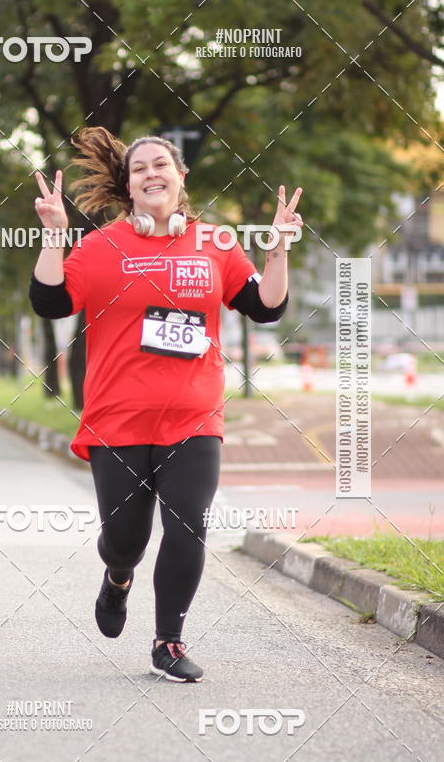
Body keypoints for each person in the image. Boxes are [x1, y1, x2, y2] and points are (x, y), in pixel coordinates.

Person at [28, 127, 303, 682]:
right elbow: (50, 301)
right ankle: (118, 578)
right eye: (139, 168)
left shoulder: (216, 244)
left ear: (182, 178)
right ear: (128, 186)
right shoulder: (102, 246)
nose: (151, 173)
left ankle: (168, 642)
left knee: (188, 527)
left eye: (161, 164)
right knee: (126, 539)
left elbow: (265, 306)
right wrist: (54, 238)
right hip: (118, 420)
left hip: (193, 418)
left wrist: (277, 249)